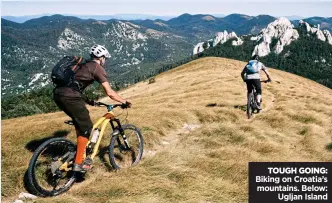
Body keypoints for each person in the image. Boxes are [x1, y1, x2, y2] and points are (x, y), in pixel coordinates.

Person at [53, 44, 131, 173]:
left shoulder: (83, 65)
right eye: (105, 58)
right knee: (87, 127)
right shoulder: (97, 68)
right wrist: (124, 101)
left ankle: (80, 151)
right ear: (101, 57)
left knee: (81, 124)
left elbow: (75, 85)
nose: (105, 61)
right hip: (71, 97)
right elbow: (110, 93)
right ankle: (78, 163)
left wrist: (90, 101)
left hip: (58, 94)